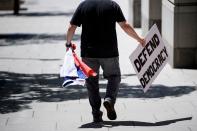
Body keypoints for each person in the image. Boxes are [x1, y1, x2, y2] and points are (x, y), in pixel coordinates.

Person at [65, 0, 145, 123]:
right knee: (114, 76)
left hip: (88, 52)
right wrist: (139, 39)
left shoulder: (83, 5)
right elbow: (125, 26)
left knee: (91, 83)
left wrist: (68, 44)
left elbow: (71, 28)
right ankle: (109, 99)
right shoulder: (112, 5)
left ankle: (96, 113)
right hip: (109, 52)